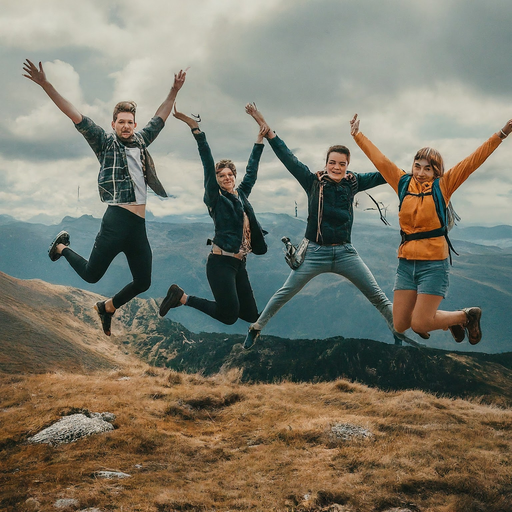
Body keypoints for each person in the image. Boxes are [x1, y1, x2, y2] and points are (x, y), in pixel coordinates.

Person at [23, 58, 186, 336]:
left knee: (143, 282)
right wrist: (45, 84)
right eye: (121, 122)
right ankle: (61, 247)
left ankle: (107, 307)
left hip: (137, 226)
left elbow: (160, 117)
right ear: (113, 124)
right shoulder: (104, 141)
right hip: (116, 222)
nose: (126, 126)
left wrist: (174, 91)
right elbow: (73, 113)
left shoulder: (142, 140)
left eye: (130, 122)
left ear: (134, 124)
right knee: (91, 275)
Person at [243, 106, 419, 349]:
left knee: (377, 296)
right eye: (332, 163)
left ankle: (397, 330)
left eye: (342, 164)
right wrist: (260, 120)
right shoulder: (312, 182)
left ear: (348, 165)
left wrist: (415, 172)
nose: (337, 167)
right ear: (326, 163)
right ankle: (256, 328)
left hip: (346, 253)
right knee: (285, 292)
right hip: (315, 253)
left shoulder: (354, 182)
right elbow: (286, 156)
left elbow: (386, 173)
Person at [350, 113, 512, 345]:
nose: (420, 172)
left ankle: (466, 316)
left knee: (420, 324)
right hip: (406, 264)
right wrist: (357, 135)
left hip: (434, 265)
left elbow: (474, 160)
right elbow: (380, 160)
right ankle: (453, 321)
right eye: (417, 166)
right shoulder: (403, 183)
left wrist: (503, 133)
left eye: (427, 169)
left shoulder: (443, 186)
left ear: (436, 171)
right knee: (400, 324)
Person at [159, 104, 268, 325]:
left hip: (239, 264)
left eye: (230, 174)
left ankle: (184, 298)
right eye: (221, 176)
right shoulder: (215, 199)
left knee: (249, 315)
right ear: (216, 180)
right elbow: (208, 165)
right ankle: (182, 298)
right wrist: (196, 130)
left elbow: (252, 173)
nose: (227, 178)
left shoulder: (241, 195)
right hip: (221, 264)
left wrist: (259, 141)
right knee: (228, 316)